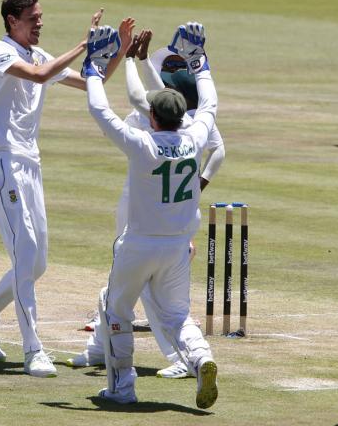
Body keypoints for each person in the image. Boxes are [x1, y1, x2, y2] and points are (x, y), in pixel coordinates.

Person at [0, 0, 119, 378]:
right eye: (33, 18)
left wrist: (119, 51)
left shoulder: (40, 54)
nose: (40, 23)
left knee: (37, 261)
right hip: (1, 161)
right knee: (25, 252)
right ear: (12, 21)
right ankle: (33, 350)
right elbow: (38, 76)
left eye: (40, 16)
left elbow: (90, 83)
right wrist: (84, 42)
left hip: (30, 163)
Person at [68, 25, 225, 380]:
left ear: (152, 117)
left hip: (138, 243)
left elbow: (99, 109)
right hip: (176, 249)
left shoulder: (142, 144)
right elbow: (211, 104)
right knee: (178, 316)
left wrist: (94, 67)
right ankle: (200, 358)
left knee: (117, 312)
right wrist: (200, 62)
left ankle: (122, 386)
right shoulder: (194, 137)